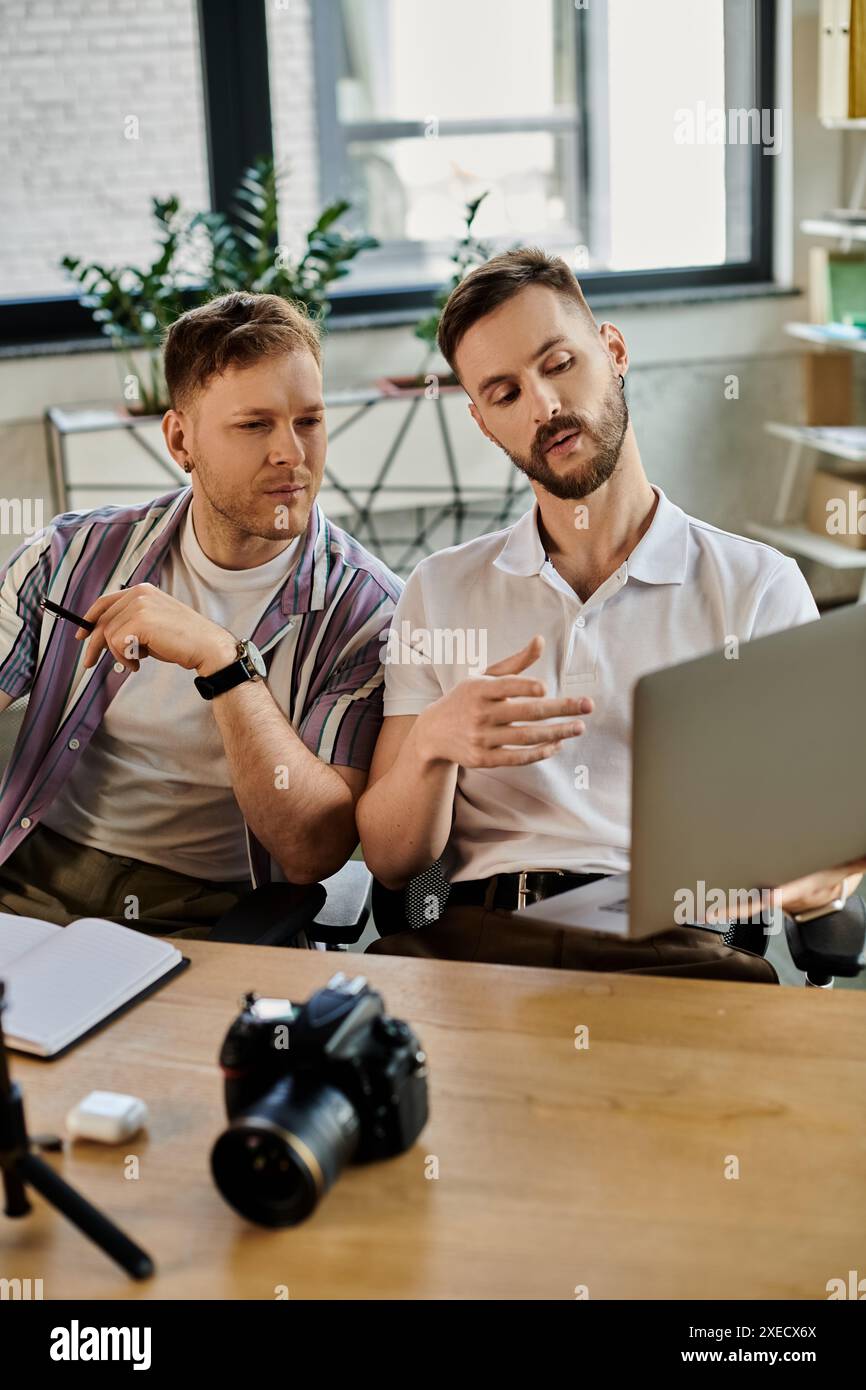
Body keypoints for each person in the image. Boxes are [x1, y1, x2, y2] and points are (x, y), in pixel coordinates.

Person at [358, 248, 865, 979]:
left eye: (559, 363)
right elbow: (390, 858)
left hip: (681, 950)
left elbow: (829, 859)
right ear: (483, 422)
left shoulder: (757, 587)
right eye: (504, 393)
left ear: (613, 350)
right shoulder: (441, 590)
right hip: (483, 949)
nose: (543, 405)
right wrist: (434, 745)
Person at [0, 292, 400, 936]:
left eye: (309, 421)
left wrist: (224, 663)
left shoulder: (369, 614)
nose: (291, 454)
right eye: (255, 425)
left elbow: (312, 850)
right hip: (25, 875)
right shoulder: (68, 557)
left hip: (209, 912)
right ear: (181, 439)